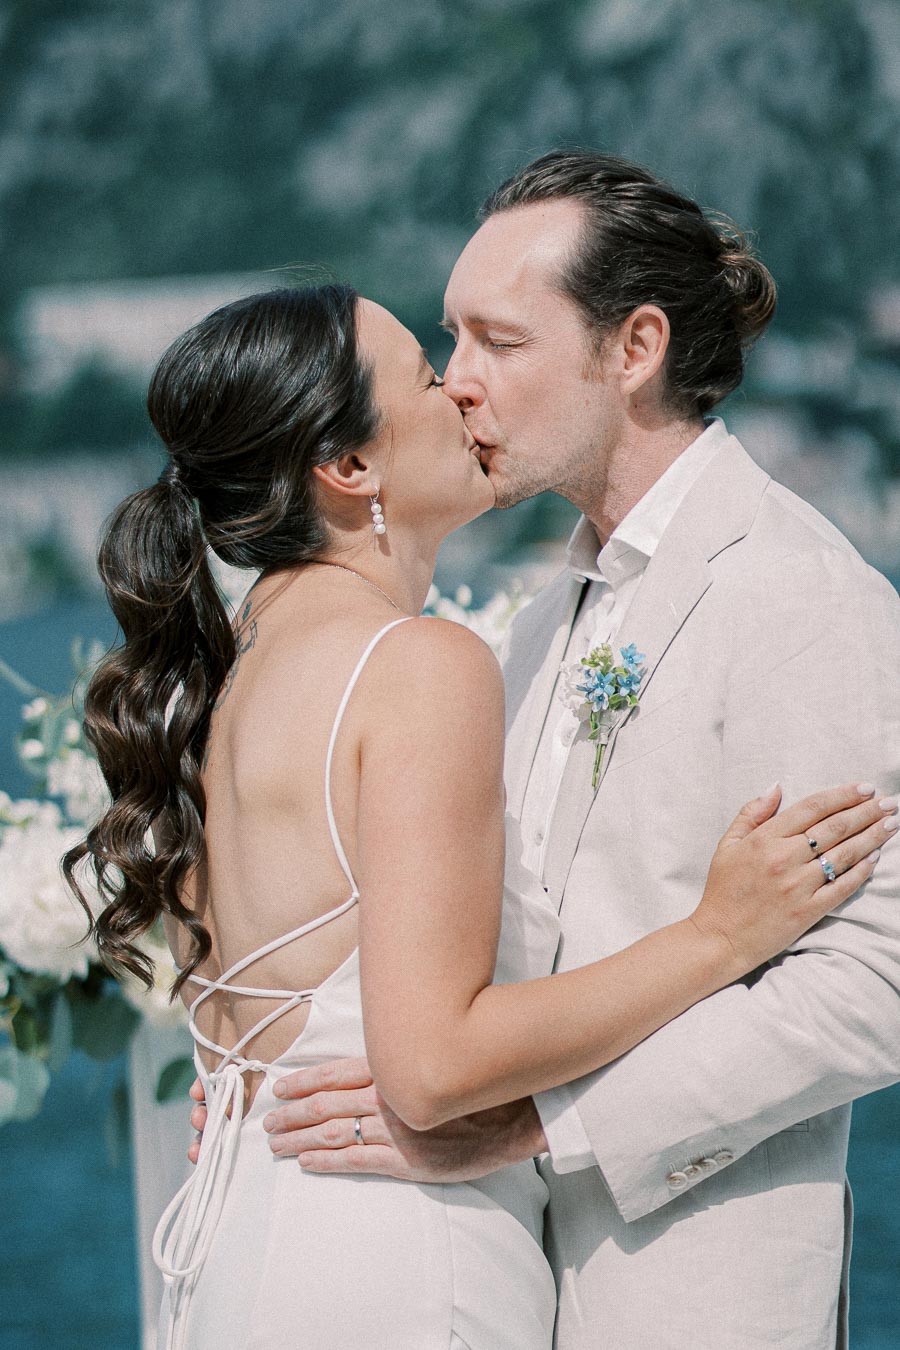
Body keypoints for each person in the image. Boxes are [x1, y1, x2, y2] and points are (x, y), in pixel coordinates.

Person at [66, 274, 887, 1350]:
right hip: (398, 1254)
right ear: (352, 466)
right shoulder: (416, 665)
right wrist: (716, 937)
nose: (460, 390)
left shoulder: (225, 682)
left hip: (247, 1240)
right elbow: (432, 1066)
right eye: (423, 371)